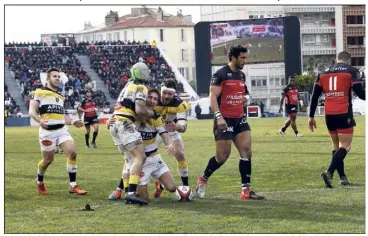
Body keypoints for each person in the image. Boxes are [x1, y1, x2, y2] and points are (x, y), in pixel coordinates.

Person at [196, 45, 263, 200]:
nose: (244, 61)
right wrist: (219, 117)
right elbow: (213, 97)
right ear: (232, 57)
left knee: (246, 150)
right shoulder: (220, 74)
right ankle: (203, 178)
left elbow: (244, 94)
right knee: (222, 157)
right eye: (242, 58)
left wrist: (245, 99)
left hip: (239, 118)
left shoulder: (241, 76)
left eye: (245, 58)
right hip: (224, 120)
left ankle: (246, 190)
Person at [108, 89, 178, 202]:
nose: (152, 101)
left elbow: (165, 136)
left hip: (154, 158)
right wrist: (109, 122)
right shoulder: (131, 115)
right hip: (141, 162)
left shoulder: (156, 117)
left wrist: (170, 144)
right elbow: (118, 120)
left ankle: (159, 185)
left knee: (172, 188)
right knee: (144, 199)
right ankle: (124, 189)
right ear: (143, 98)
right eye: (150, 97)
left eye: (155, 99)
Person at [308, 51, 365, 188]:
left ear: (336, 59)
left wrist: (311, 116)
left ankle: (343, 178)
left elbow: (314, 96)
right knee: (346, 145)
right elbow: (361, 94)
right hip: (344, 112)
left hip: (329, 114)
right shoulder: (351, 71)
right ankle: (329, 172)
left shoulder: (323, 73)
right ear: (348, 61)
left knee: (336, 145)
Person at [29, 68, 87, 195]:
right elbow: (32, 110)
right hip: (47, 132)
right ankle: (39, 181)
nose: (57, 78)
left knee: (72, 153)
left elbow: (62, 116)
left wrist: (72, 122)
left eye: (58, 76)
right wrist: (39, 120)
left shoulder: (60, 96)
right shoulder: (39, 92)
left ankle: (73, 185)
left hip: (62, 130)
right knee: (47, 161)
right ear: (48, 78)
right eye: (54, 76)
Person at [108, 62, 154, 205]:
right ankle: (131, 193)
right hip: (125, 123)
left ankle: (128, 190)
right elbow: (140, 110)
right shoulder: (141, 87)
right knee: (140, 156)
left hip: (115, 123)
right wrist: (152, 113)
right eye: (146, 72)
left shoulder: (127, 86)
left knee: (129, 160)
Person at [153, 79, 191, 197]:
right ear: (160, 91)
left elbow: (183, 126)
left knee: (180, 153)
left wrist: (177, 126)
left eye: (170, 93)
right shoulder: (153, 99)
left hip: (171, 129)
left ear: (174, 93)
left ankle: (185, 188)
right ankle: (124, 186)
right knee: (141, 156)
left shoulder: (179, 104)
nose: (166, 96)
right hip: (154, 130)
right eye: (164, 92)